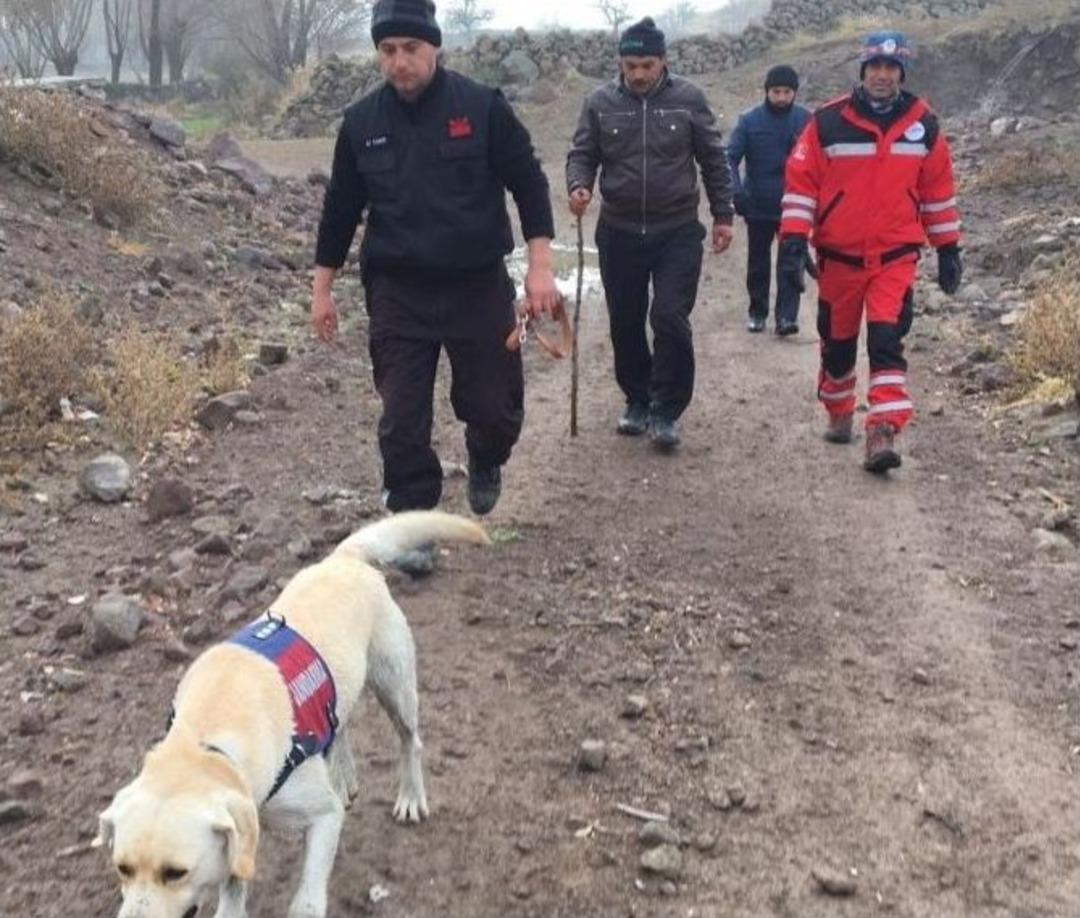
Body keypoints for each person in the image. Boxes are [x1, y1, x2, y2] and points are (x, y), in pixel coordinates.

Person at [312, 0, 560, 558]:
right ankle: (412, 520)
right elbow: (340, 211)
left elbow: (528, 181)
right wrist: (321, 289)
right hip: (399, 291)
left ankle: (485, 454)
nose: (399, 62)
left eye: (411, 49)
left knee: (495, 409)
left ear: (435, 46)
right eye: (388, 50)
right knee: (402, 419)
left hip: (477, 285)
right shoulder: (360, 124)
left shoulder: (481, 107)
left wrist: (540, 266)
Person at [778, 30, 962, 473]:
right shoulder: (827, 121)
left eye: (891, 67)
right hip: (839, 260)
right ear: (863, 71)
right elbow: (802, 185)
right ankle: (839, 410)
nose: (882, 75)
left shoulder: (924, 124)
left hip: (895, 258)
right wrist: (792, 241)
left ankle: (883, 429)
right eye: (875, 67)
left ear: (902, 72)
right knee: (837, 347)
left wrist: (948, 246)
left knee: (886, 341)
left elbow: (937, 191)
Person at [566, 16, 734, 450]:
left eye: (647, 64)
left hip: (676, 230)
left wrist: (723, 215)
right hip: (619, 231)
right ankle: (637, 399)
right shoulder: (600, 102)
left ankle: (666, 409)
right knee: (625, 319)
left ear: (663, 61)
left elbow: (713, 159)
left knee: (669, 317)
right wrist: (578, 183)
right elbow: (582, 152)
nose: (638, 74)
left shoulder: (689, 99)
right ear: (620, 63)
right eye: (630, 65)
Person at [727, 64, 811, 335]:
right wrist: (737, 192)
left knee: (791, 262)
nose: (782, 97)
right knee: (758, 263)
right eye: (776, 91)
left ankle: (786, 318)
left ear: (795, 93)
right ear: (767, 91)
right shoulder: (750, 121)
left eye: (787, 92)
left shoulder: (806, 121)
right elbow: (729, 158)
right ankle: (757, 312)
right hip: (758, 204)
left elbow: (820, 162)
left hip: (795, 207)